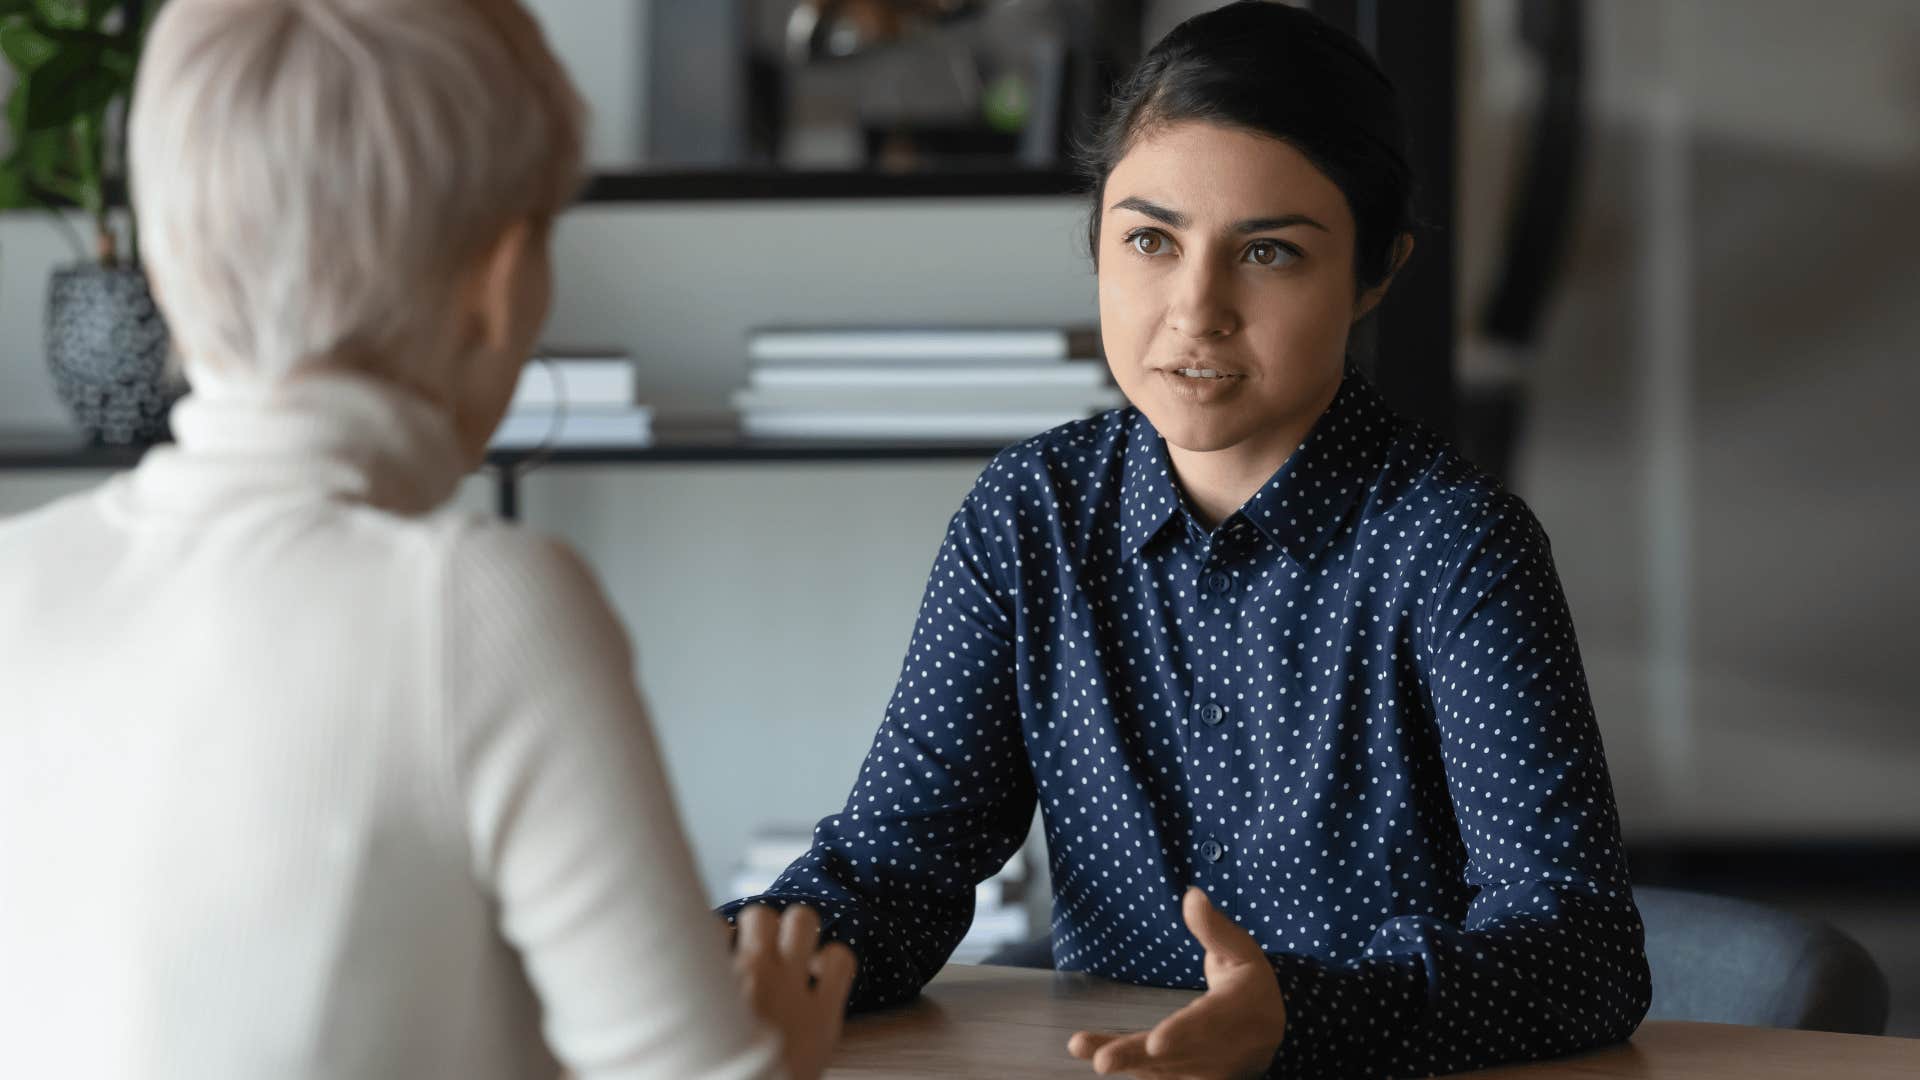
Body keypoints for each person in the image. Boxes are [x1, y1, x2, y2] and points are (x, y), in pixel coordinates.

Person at [721, 4, 1651, 1077]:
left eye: (1269, 254)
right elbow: (891, 876)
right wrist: (707, 955)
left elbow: (1584, 957)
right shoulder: (1030, 517)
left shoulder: (1453, 547)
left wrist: (1298, 1017)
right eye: (1151, 241)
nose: (1195, 310)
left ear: (1376, 272)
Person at [0, 1, 849, 1077]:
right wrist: (785, 1043)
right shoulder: (479, 603)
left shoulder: (14, 579)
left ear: (166, 265)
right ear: (500, 286)